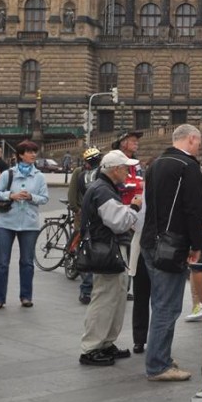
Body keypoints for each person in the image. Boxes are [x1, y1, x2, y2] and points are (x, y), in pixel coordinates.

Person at [141, 124, 202, 381]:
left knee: (159, 303)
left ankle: (161, 356)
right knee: (167, 307)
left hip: (150, 241)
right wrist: (196, 245)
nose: (198, 147)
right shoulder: (187, 166)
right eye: (198, 142)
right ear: (191, 139)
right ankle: (158, 365)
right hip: (172, 245)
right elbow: (192, 210)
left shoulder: (155, 163)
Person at [78, 150, 142, 366]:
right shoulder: (103, 190)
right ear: (115, 170)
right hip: (107, 249)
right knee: (105, 298)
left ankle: (104, 343)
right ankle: (92, 347)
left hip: (106, 248)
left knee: (113, 297)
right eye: (125, 168)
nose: (128, 172)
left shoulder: (101, 187)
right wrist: (134, 207)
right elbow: (118, 222)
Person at [0, 140, 49, 309]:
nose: (33, 155)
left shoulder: (39, 176)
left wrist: (31, 197)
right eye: (29, 152)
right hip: (5, 223)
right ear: (21, 155)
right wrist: (11, 195)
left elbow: (44, 198)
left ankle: (26, 297)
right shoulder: (9, 174)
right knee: (2, 263)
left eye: (34, 152)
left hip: (29, 224)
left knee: (27, 262)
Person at [112, 130, 150, 351]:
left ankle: (142, 338)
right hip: (124, 218)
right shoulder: (116, 160)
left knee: (141, 287)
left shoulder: (135, 165)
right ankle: (138, 338)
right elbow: (122, 186)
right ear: (124, 143)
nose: (136, 144)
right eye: (134, 141)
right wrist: (140, 189)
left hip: (135, 220)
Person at [68, 147, 103, 304]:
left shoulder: (83, 175)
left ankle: (86, 290)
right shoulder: (100, 175)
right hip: (96, 217)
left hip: (87, 217)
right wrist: (76, 209)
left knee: (87, 250)